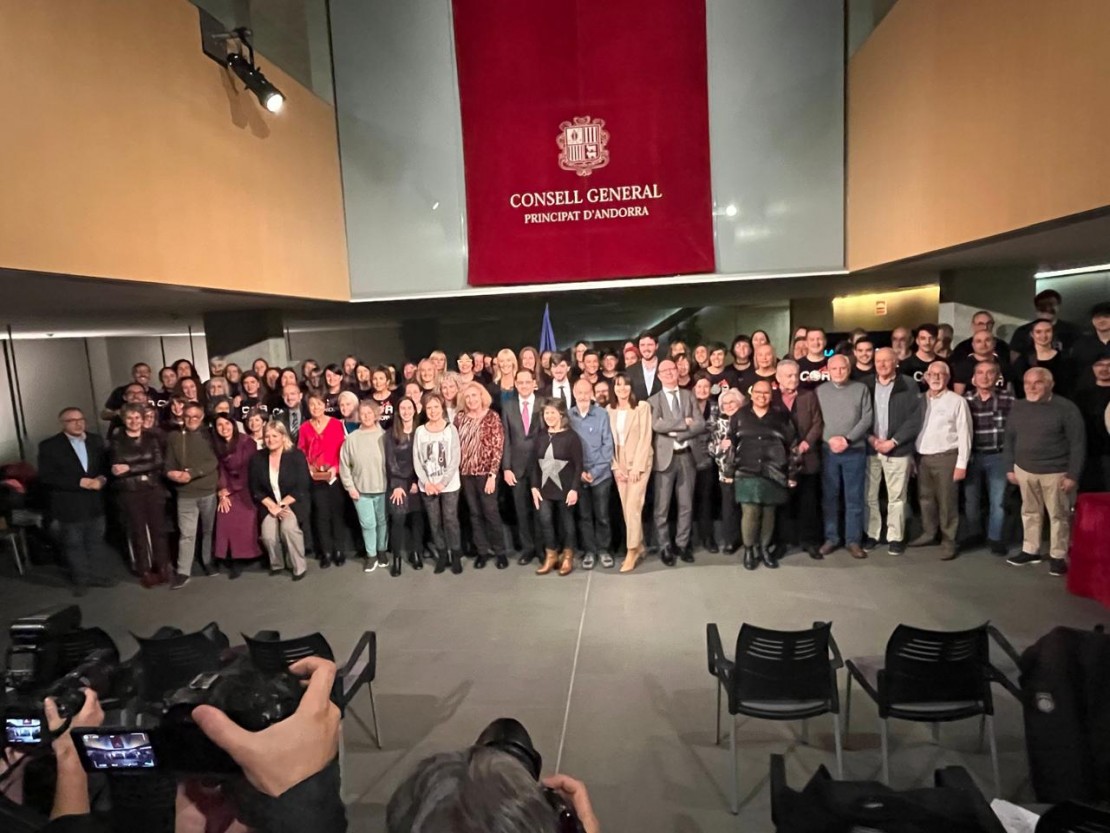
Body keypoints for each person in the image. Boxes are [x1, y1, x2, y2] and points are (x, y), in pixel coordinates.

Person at [1005, 368, 1086, 575]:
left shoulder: (1066, 408)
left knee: (1059, 515)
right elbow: (1009, 439)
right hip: (1024, 470)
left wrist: (1073, 475)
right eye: (1027, 383)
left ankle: (1058, 556)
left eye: (1038, 383)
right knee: (1029, 512)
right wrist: (1010, 467)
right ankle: (1030, 550)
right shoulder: (1018, 406)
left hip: (1056, 473)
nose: (1031, 387)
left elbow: (1078, 444)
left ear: (1050, 384)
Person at [723, 380, 797, 569]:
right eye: (758, 392)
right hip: (746, 470)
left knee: (769, 512)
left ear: (771, 395)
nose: (761, 396)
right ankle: (749, 550)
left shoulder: (781, 416)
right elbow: (731, 445)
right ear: (751, 393)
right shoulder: (740, 415)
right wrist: (729, 471)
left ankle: (764, 549)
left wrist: (792, 474)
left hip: (774, 470)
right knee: (750, 511)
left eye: (766, 393)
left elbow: (792, 446)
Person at [862, 348, 923, 555]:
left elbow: (915, 418)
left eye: (887, 361)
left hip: (898, 449)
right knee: (869, 495)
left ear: (896, 362)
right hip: (871, 448)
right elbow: (859, 415)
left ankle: (895, 537)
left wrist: (894, 442)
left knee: (897, 497)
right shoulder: (866, 384)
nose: (882, 364)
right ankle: (872, 534)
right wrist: (871, 438)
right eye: (878, 361)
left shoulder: (908, 384)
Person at [910, 361, 971, 560]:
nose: (936, 378)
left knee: (947, 502)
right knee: (925, 499)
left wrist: (962, 464)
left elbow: (965, 433)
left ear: (948, 377)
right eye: (932, 374)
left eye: (941, 374)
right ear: (926, 377)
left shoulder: (957, 401)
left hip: (947, 458)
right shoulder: (919, 400)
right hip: (922, 458)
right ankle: (929, 533)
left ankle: (949, 541)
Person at [815, 355, 873, 559]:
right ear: (827, 370)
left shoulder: (861, 389)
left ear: (849, 369)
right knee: (829, 497)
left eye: (842, 368)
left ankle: (853, 541)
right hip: (828, 450)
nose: (838, 372)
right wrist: (829, 440)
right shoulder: (820, 391)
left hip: (854, 450)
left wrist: (847, 439)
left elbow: (867, 418)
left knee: (854, 497)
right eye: (834, 368)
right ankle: (831, 538)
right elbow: (816, 420)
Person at [649, 359, 706, 565]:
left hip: (686, 456)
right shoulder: (653, 400)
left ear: (677, 372)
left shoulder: (688, 395)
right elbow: (656, 425)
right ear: (659, 376)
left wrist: (676, 432)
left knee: (686, 505)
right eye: (664, 371)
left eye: (672, 369)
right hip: (664, 459)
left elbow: (700, 424)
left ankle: (682, 544)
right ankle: (664, 546)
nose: (669, 373)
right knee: (662, 507)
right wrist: (683, 423)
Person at [108, 403, 169, 587]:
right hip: (130, 491)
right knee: (138, 531)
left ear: (143, 419)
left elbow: (158, 462)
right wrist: (142, 466)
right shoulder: (117, 440)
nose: (134, 421)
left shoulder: (152, 437)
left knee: (159, 530)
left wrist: (130, 467)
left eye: (137, 417)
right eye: (130, 418)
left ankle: (162, 566)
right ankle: (145, 570)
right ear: (123, 419)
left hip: (152, 488)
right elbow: (117, 467)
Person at [962, 360, 1015, 554]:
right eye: (980, 373)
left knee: (998, 501)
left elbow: (1016, 431)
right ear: (973, 378)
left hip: (998, 456)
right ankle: (974, 534)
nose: (985, 377)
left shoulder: (1008, 399)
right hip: (972, 457)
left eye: (990, 372)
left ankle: (995, 538)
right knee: (971, 501)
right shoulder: (964, 400)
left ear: (997, 377)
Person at [165, 402, 219, 588]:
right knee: (187, 534)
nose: (191, 420)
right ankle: (183, 571)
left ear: (202, 417)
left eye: (196, 416)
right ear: (182, 416)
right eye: (188, 416)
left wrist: (193, 473)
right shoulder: (174, 437)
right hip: (186, 493)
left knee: (208, 530)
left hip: (208, 490)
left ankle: (207, 561)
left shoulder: (209, 435)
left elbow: (213, 462)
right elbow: (168, 464)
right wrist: (170, 473)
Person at [248, 421, 310, 580]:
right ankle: (277, 564)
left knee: (288, 529)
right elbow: (255, 488)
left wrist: (281, 505)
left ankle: (298, 566)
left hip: (292, 502)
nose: (270, 440)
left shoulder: (296, 455)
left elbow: (302, 486)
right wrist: (271, 506)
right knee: (268, 535)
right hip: (269, 504)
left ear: (283, 436)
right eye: (267, 436)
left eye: (275, 436)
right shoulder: (257, 458)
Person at [455, 381, 508, 569]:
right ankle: (482, 552)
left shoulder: (492, 416)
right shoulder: (460, 418)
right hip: (466, 474)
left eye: (474, 396)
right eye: (468, 397)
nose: (471, 400)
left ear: (481, 396)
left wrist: (493, 475)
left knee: (491, 512)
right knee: (475, 514)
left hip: (487, 474)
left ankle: (500, 552)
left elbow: (498, 447)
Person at [531, 398, 583, 576]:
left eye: (553, 412)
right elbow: (533, 463)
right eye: (546, 413)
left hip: (566, 489)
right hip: (544, 489)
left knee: (567, 523)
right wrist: (534, 487)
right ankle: (551, 555)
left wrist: (574, 489)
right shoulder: (540, 436)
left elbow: (578, 465)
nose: (549, 416)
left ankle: (567, 556)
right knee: (545, 520)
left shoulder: (571, 437)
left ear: (561, 414)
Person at [608, 374, 654, 572]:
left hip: (639, 461)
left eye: (626, 385)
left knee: (633, 506)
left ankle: (632, 550)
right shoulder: (609, 410)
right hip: (619, 462)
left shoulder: (642, 407)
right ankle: (640, 545)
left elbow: (645, 437)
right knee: (627, 508)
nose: (622, 389)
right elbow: (607, 440)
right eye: (618, 385)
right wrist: (615, 466)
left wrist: (637, 467)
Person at [298, 393, 350, 568]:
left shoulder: (336, 424)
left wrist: (335, 468)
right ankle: (326, 552)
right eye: (312, 404)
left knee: (337, 514)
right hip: (315, 478)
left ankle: (339, 550)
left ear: (325, 405)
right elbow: (301, 451)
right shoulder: (305, 427)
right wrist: (309, 468)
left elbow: (343, 450)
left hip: (335, 476)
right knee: (321, 515)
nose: (316, 408)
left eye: (319, 404)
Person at [339, 400, 390, 574]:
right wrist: (350, 487)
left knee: (382, 522)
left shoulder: (385, 436)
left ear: (376, 414)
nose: (366, 416)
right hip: (360, 491)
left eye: (370, 413)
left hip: (383, 488)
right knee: (368, 524)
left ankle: (382, 551)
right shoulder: (352, 439)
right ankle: (371, 555)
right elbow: (344, 465)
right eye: (363, 413)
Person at [415, 391, 463, 574]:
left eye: (436, 407)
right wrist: (426, 482)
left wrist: (443, 483)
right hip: (428, 486)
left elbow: (455, 458)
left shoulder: (451, 429)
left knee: (450, 520)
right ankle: (442, 554)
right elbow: (417, 459)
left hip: (449, 485)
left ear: (441, 408)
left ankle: (456, 555)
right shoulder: (420, 431)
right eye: (429, 408)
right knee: (434, 521)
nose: (433, 411)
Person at [570, 378, 615, 569]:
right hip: (578, 475)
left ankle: (603, 550)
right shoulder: (568, 416)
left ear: (592, 394)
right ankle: (590, 551)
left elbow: (608, 445)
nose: (583, 396)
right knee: (584, 516)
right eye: (579, 392)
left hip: (601, 474)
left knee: (602, 515)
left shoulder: (602, 414)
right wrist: (580, 472)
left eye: (586, 392)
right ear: (574, 394)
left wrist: (595, 472)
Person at [502, 368, 544, 565]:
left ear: (534, 383)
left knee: (541, 510)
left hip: (541, 466)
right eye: (521, 382)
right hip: (517, 467)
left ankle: (543, 548)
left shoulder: (544, 403)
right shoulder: (508, 406)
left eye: (528, 382)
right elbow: (506, 439)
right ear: (515, 384)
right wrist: (506, 468)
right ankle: (528, 549)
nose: (524, 386)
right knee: (521, 510)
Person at [212, 413, 262, 577]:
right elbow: (220, 470)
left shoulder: (247, 442)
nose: (224, 428)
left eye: (227, 424)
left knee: (244, 514)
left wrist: (231, 489)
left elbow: (249, 469)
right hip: (228, 487)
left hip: (246, 486)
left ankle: (243, 556)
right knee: (224, 511)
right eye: (219, 425)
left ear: (233, 425)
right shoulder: (217, 445)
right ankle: (229, 555)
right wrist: (222, 490)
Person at [385, 397, 426, 571]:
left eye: (409, 408)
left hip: (418, 481)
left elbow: (424, 459)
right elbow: (390, 462)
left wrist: (417, 481)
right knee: (398, 519)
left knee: (417, 519)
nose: (406, 411)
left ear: (415, 410)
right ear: (398, 411)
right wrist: (398, 485)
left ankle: (416, 553)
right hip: (398, 483)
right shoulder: (390, 434)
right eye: (403, 408)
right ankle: (396, 558)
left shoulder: (422, 431)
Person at [708, 388, 745, 555]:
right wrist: (720, 447)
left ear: (740, 403)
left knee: (747, 507)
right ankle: (730, 540)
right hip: (726, 472)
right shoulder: (718, 424)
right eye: (725, 403)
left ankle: (749, 539)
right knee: (729, 507)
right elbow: (710, 448)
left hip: (747, 471)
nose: (729, 406)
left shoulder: (747, 420)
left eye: (732, 402)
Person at [1012, 319, 1076, 399]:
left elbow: (1069, 388)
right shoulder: (1023, 360)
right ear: (1032, 334)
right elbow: (1018, 388)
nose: (1043, 336)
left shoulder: (1065, 360)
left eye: (1048, 331)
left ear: (1053, 333)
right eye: (1038, 332)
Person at [1010, 289, 1081, 359]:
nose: (1047, 308)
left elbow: (1079, 357)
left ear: (1058, 306)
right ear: (1036, 307)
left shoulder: (1072, 330)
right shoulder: (1022, 331)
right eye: (1042, 305)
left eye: (1051, 304)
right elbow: (1014, 358)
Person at [690, 374, 718, 552]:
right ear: (693, 388)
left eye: (706, 387)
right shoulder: (686, 406)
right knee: (687, 500)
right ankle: (687, 540)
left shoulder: (715, 406)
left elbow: (717, 430)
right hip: (688, 457)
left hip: (708, 458)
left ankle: (707, 537)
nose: (702, 390)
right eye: (699, 386)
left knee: (706, 499)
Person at [1074, 354, 1110, 491]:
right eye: (1100, 365)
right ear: (1092, 368)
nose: (1104, 369)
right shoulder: (1081, 396)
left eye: (1109, 365)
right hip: (1089, 455)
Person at [951, 330, 1011, 394]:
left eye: (987, 340)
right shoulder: (962, 367)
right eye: (979, 341)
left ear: (994, 343)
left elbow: (1010, 392)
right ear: (973, 345)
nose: (983, 344)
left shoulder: (1004, 365)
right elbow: (958, 396)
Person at [899, 323, 939, 390]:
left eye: (931, 338)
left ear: (936, 340)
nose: (927, 342)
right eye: (923, 338)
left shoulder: (943, 363)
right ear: (917, 341)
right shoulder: (906, 365)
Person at [1071, 301, 1110, 369]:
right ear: (1092, 320)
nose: (1101, 320)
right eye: (1097, 317)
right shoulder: (1081, 344)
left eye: (1106, 316)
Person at [629, 332, 662, 401]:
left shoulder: (665, 367)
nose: (646, 348)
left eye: (650, 345)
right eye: (642, 345)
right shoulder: (630, 370)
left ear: (656, 346)